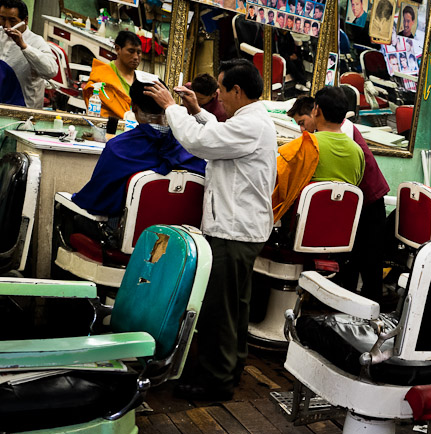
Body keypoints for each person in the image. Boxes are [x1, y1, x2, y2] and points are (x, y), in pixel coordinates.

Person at [144, 59, 277, 402]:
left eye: (221, 88)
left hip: (234, 232)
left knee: (220, 309)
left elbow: (199, 143)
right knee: (236, 306)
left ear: (236, 90)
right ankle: (231, 367)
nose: (218, 94)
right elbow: (215, 134)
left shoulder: (250, 126)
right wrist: (196, 110)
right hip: (244, 229)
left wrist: (172, 109)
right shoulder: (250, 121)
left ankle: (216, 381)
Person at [67, 78, 205, 239]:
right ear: (165, 106)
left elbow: (96, 201)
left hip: (121, 238)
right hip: (177, 242)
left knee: (69, 213)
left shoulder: (119, 147)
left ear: (134, 108)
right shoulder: (190, 148)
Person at [289, 92, 390, 302]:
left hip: (369, 198)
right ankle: (342, 306)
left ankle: (369, 314)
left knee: (368, 261)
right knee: (351, 256)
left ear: (316, 112)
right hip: (351, 199)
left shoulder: (341, 133)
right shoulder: (331, 134)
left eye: (302, 122)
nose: (301, 129)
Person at [0, 0, 56, 109]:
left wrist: (24, 47)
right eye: (2, 18)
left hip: (24, 110)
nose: (6, 25)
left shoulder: (36, 42)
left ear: (25, 20)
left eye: (12, 20)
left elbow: (51, 71)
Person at [84, 31, 143, 119]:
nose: (135, 57)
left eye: (138, 52)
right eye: (131, 51)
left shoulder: (143, 80)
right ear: (117, 49)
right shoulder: (102, 76)